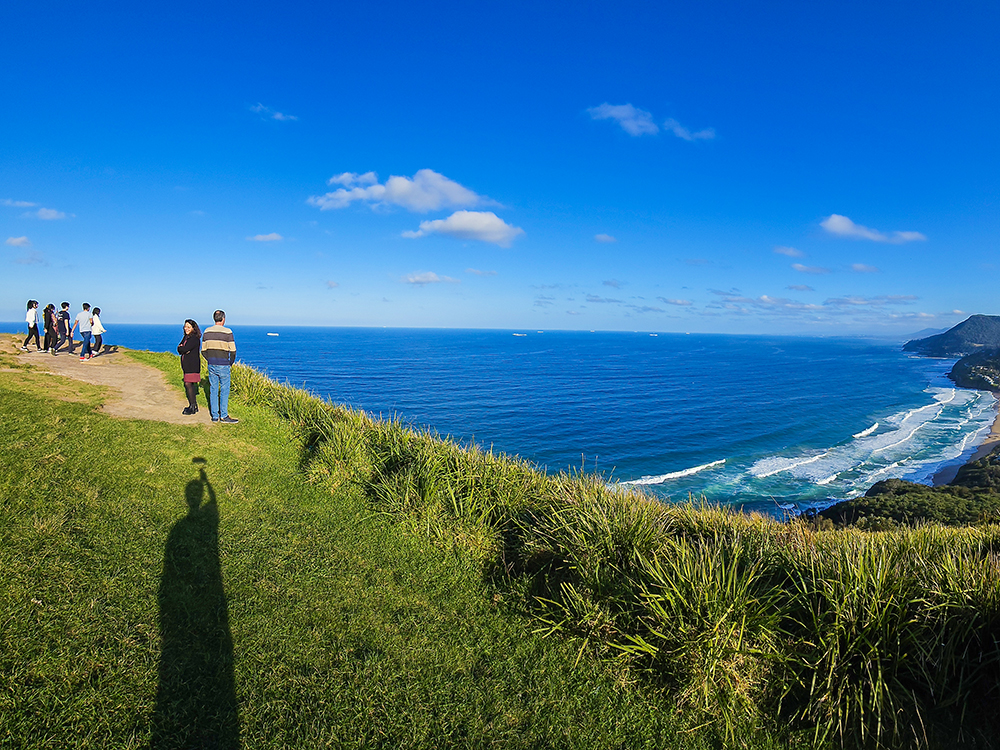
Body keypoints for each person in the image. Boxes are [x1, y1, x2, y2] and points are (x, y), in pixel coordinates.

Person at [201, 310, 238, 424]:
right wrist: (229, 363)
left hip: (212, 363)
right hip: (223, 364)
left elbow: (203, 351)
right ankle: (224, 415)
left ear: (214, 318)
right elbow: (233, 350)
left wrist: (210, 359)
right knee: (224, 390)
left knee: (213, 389)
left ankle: (214, 416)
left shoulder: (207, 331)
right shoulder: (227, 332)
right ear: (223, 319)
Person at [177, 319, 202, 415]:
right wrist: (182, 349)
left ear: (193, 328)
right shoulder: (186, 337)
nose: (186, 328)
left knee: (188, 384)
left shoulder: (194, 338)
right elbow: (179, 348)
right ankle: (193, 405)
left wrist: (183, 349)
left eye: (188, 327)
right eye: (185, 326)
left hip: (192, 365)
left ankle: (193, 406)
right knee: (188, 384)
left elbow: (185, 348)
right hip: (187, 365)